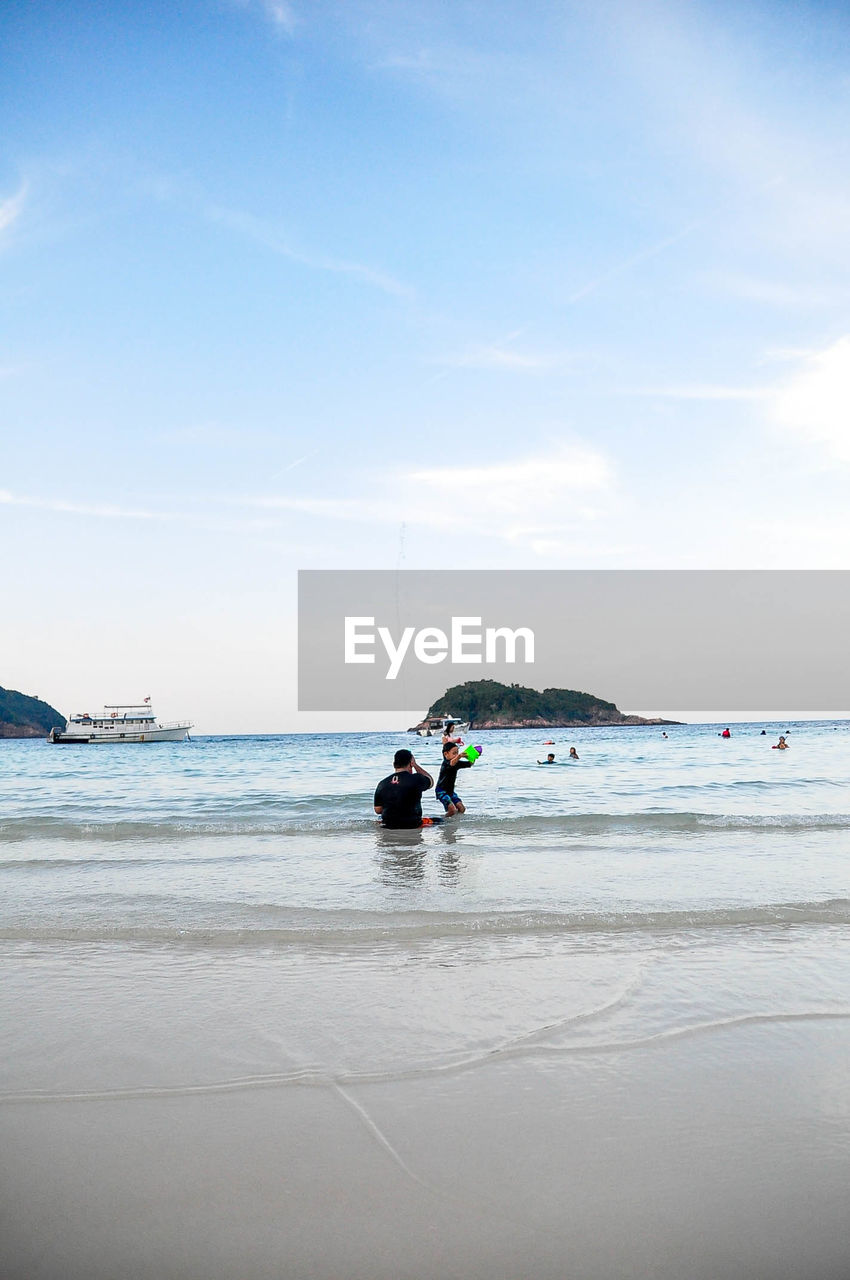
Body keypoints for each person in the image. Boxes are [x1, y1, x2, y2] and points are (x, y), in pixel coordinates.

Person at [373, 749, 435, 829]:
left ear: (394, 764)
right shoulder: (417, 778)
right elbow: (431, 782)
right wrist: (415, 765)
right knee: (440, 821)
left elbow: (378, 810)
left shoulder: (382, 783)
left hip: (388, 825)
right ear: (410, 764)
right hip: (412, 824)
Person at [436, 741, 475, 815]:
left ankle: (454, 823)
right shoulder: (446, 763)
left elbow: (470, 764)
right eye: (454, 753)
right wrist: (459, 756)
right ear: (445, 754)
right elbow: (452, 763)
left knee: (462, 808)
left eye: (457, 753)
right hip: (441, 791)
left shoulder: (457, 763)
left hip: (450, 791)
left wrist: (473, 756)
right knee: (452, 810)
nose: (456, 755)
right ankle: (444, 822)